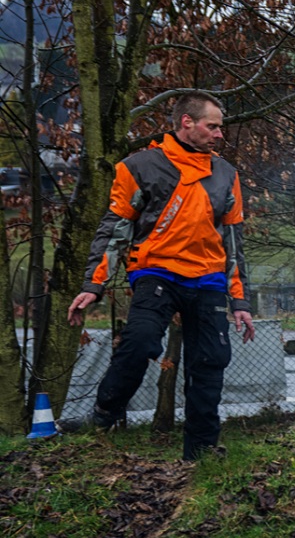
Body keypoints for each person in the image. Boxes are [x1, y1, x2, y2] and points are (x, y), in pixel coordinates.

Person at [67, 90, 255, 461]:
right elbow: (116, 229)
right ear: (188, 122)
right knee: (138, 341)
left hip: (208, 280)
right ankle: (105, 412)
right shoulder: (138, 166)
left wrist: (240, 301)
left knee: (210, 361)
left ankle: (200, 453)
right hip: (156, 272)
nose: (220, 135)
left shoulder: (226, 174)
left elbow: (233, 244)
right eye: (213, 126)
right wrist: (95, 284)